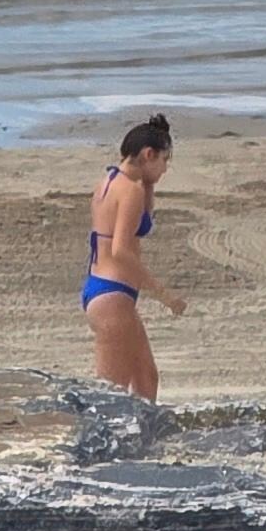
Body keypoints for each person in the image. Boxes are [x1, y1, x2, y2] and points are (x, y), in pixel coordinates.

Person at [84, 113, 184, 398]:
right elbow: (121, 251)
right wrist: (164, 295)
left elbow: (140, 225)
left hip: (108, 290)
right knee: (110, 394)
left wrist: (149, 184)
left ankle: (144, 439)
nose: (165, 169)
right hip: (112, 294)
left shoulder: (111, 181)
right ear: (148, 154)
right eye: (164, 160)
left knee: (146, 379)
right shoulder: (128, 190)